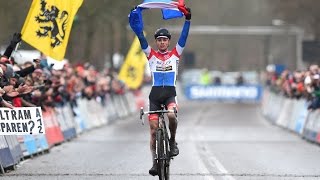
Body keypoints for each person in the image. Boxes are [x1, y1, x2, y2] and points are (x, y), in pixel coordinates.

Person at [129, 5, 191, 176]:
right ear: (156, 42)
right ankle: (155, 163)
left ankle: (172, 142)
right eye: (159, 40)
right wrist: (136, 22)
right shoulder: (151, 55)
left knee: (171, 115)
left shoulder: (175, 54)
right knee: (154, 129)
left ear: (168, 41)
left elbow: (184, 37)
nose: (162, 42)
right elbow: (141, 38)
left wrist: (188, 19)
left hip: (170, 94)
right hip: (155, 95)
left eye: (165, 40)